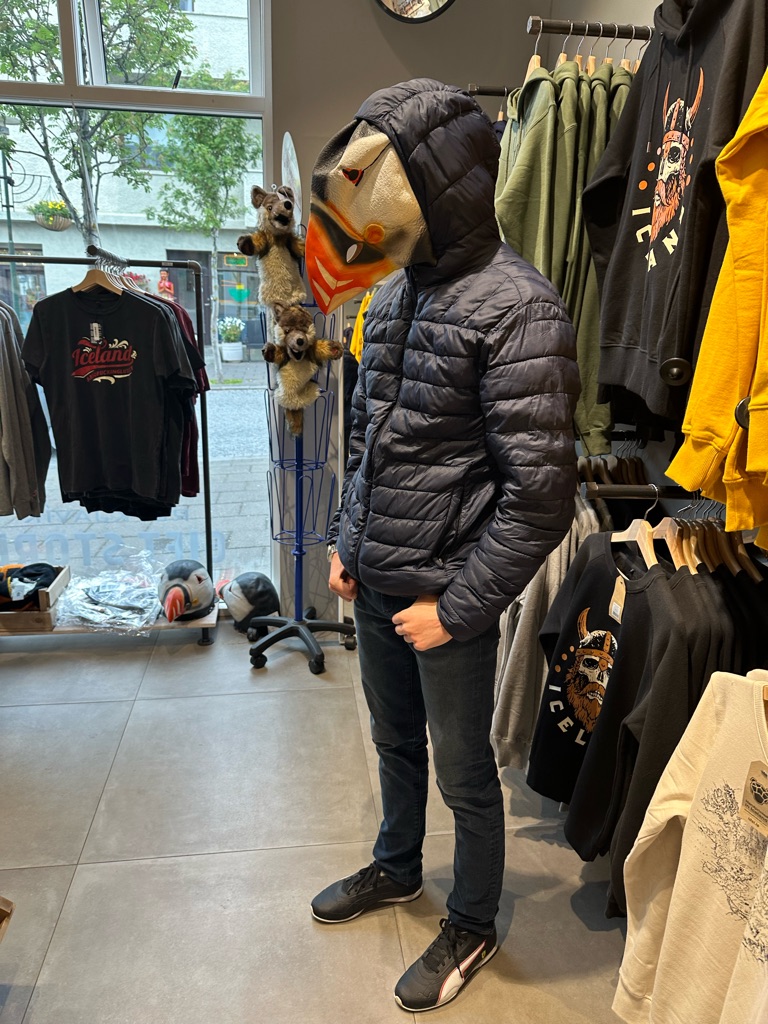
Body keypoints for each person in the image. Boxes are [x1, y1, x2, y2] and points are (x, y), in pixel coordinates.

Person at [303, 78, 580, 1013]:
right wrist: (345, 538)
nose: (363, 206)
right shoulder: (388, 298)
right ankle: (396, 866)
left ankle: (473, 919)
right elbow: (366, 436)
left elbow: (541, 497)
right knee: (393, 741)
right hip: (377, 576)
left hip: (444, 599)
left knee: (465, 774)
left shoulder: (521, 308)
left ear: (442, 179)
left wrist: (457, 607)